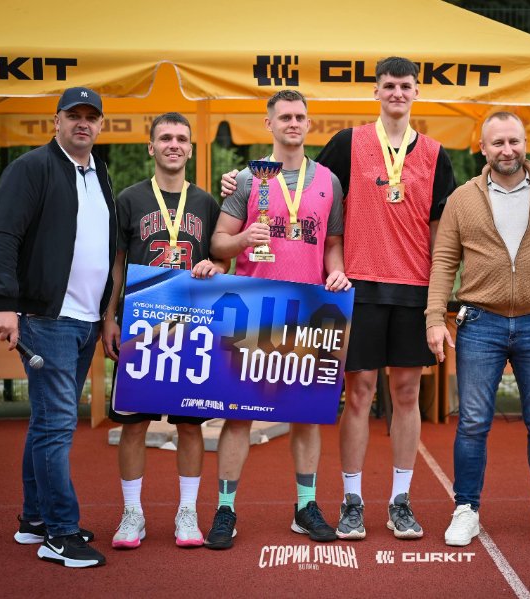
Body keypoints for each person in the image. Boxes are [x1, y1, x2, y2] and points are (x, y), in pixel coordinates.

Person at [221, 57, 456, 540]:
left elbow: (441, 233)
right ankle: (352, 501)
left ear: (416, 92)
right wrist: (236, 179)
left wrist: (438, 297)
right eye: (388, 85)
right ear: (376, 91)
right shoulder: (349, 143)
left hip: (413, 287)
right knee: (360, 394)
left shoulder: (436, 154)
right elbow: (296, 179)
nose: (396, 93)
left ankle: (400, 501)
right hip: (355, 286)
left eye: (405, 86)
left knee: (407, 394)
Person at [425, 112, 530, 547]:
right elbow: (444, 261)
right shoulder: (462, 198)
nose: (507, 150)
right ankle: (466, 509)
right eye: (498, 143)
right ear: (482, 148)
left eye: (514, 141)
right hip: (479, 322)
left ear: (525, 144)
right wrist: (434, 317)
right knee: (473, 422)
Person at [205, 90, 349, 550]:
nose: (293, 122)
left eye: (300, 116)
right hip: (253, 311)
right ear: (268, 124)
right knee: (239, 417)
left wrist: (337, 271)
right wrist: (244, 237)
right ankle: (225, 508)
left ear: (309, 123)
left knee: (306, 418)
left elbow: (332, 244)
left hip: (309, 311)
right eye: (284, 116)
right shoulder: (247, 179)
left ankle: (305, 506)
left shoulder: (328, 181)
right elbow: (218, 242)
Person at [0, 87, 115, 568]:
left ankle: (35, 519)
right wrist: (4, 303)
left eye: (90, 117)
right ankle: (60, 533)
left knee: (46, 423)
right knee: (57, 427)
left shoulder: (100, 172)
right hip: (48, 319)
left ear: (100, 125)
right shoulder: (31, 168)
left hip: (85, 321)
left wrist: (104, 315)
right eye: (73, 115)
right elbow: (1, 236)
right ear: (55, 120)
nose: (83, 123)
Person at [100, 112, 225, 550]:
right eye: (166, 138)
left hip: (192, 326)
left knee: (190, 425)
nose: (174, 144)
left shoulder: (206, 203)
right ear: (150, 147)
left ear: (190, 148)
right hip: (141, 325)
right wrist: (109, 317)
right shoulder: (130, 199)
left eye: (181, 138)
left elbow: (222, 258)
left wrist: (216, 264)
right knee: (134, 424)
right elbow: (117, 264)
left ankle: (187, 511)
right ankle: (132, 512)